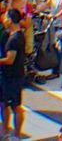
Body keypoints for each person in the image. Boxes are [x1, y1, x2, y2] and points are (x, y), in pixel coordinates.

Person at [0, 10, 24, 141]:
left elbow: (10, 60)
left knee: (15, 106)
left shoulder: (15, 39)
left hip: (14, 77)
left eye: (5, 17)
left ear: (10, 20)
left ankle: (17, 135)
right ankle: (5, 131)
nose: (3, 19)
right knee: (3, 104)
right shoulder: (8, 35)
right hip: (5, 76)